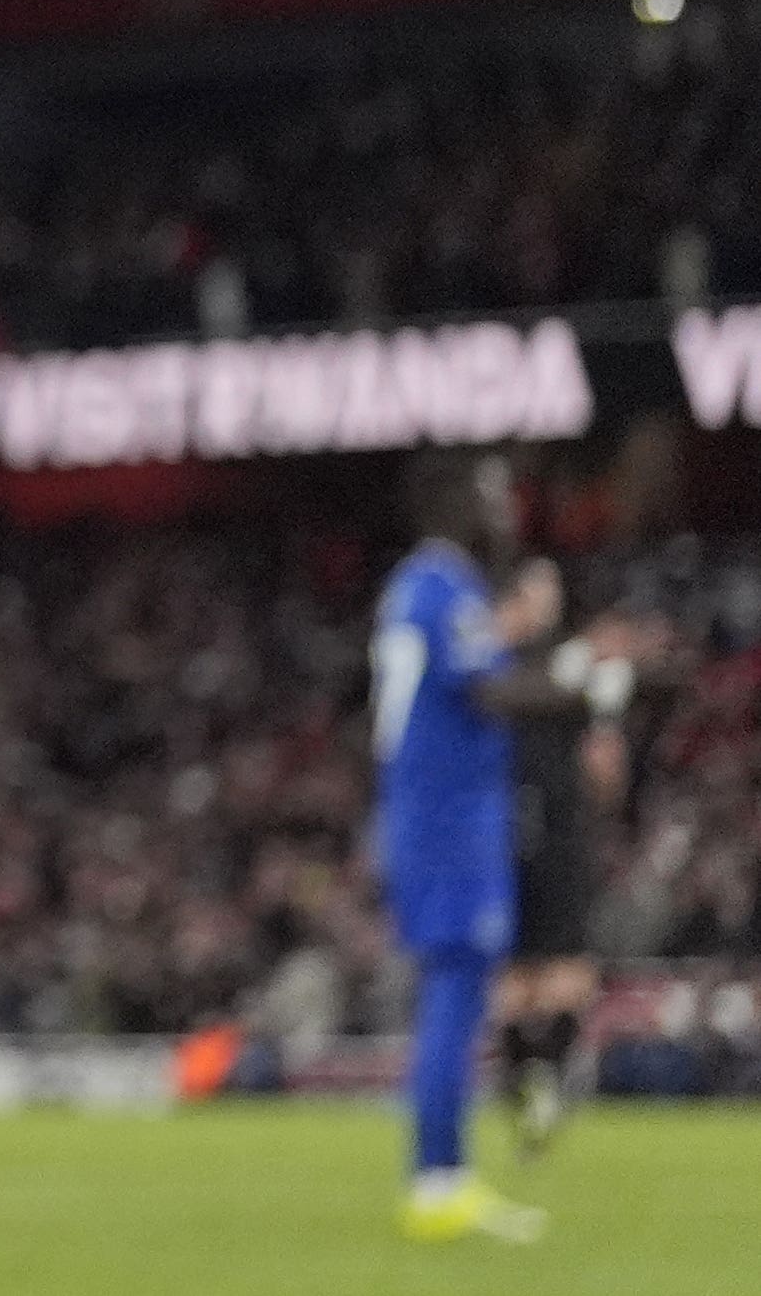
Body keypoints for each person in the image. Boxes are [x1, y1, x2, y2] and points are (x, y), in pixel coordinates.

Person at [373, 453, 546, 1245]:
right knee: (454, 992)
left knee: (458, 991)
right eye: (490, 493)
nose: (505, 507)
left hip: (436, 813)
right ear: (451, 504)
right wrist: (586, 682)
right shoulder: (446, 586)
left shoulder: (421, 586)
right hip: (446, 818)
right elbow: (487, 689)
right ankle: (437, 1179)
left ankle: (441, 1173)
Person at [485, 563, 642, 1165]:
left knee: (546, 970)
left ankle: (531, 1089)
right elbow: (605, 772)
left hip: (543, 829)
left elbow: (605, 772)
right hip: (527, 830)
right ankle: (536, 1089)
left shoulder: (562, 670)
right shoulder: (534, 668)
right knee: (533, 972)